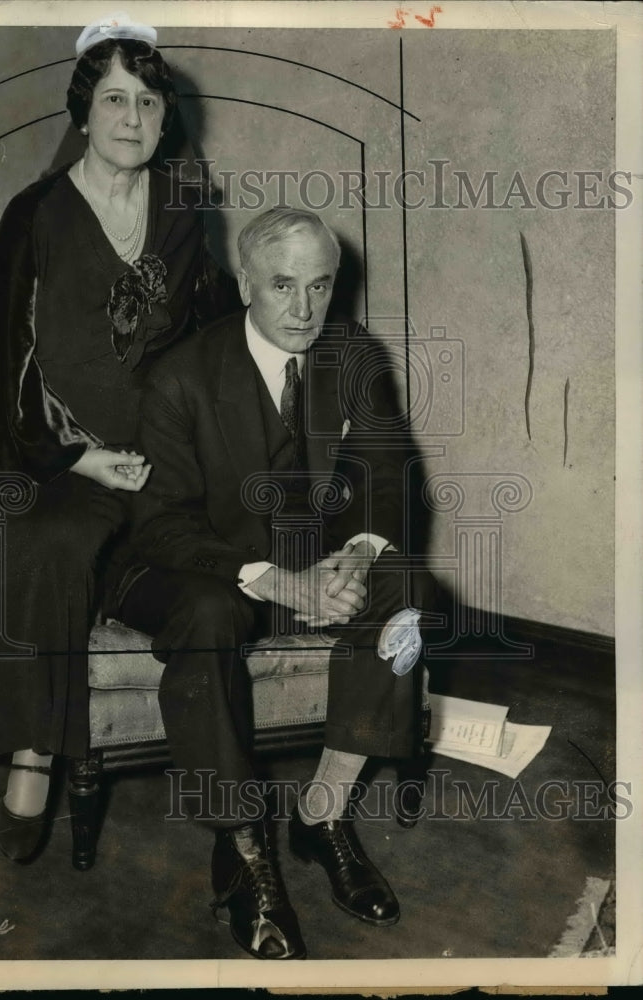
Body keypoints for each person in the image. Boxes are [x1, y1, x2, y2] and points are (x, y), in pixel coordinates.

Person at [115, 206, 443, 960]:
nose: (303, 309)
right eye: (282, 286)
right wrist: (274, 581)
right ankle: (241, 845)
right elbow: (159, 525)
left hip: (308, 556)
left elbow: (386, 477)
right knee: (210, 612)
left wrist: (356, 554)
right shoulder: (181, 376)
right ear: (245, 284)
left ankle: (322, 814)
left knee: (405, 589)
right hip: (191, 564)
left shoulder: (353, 356)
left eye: (319, 286)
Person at [0, 15, 220, 864]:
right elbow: (3, 356)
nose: (132, 117)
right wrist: (72, 455)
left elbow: (203, 334)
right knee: (12, 535)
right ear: (84, 113)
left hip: (137, 458)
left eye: (148, 102)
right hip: (23, 441)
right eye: (114, 100)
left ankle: (35, 749)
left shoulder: (182, 211)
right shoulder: (35, 213)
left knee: (70, 545)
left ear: (165, 119)